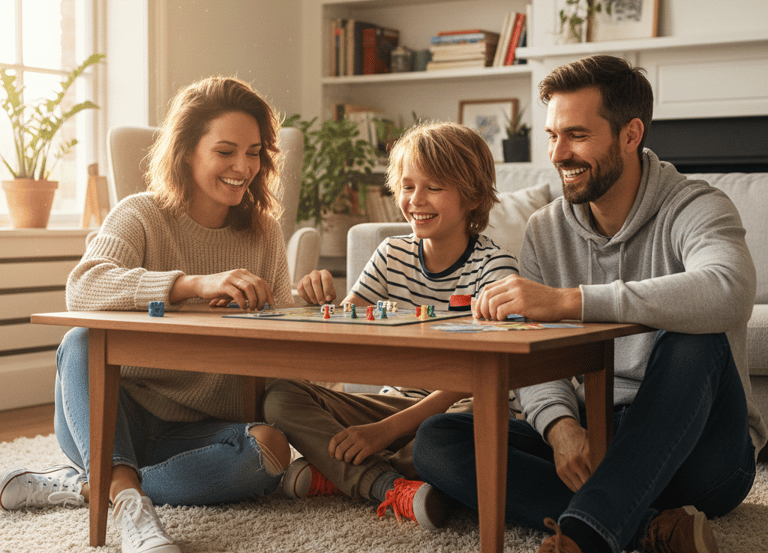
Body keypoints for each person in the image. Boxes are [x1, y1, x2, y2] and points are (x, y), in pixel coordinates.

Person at [413, 55, 767, 553]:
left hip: (702, 453)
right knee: (437, 440)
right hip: (601, 430)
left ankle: (587, 534)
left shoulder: (696, 205)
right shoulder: (546, 228)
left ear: (630, 134)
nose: (559, 153)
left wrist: (570, 302)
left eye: (576, 135)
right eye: (553, 135)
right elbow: (530, 347)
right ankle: (651, 528)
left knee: (694, 339)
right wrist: (560, 428)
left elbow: (729, 289)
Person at [0, 76, 295, 553]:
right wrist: (192, 284)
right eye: (225, 151)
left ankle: (100, 487)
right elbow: (82, 289)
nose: (244, 166)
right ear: (186, 152)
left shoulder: (264, 232)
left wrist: (302, 303)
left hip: (203, 427)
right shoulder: (140, 214)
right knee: (80, 340)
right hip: (113, 415)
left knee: (272, 450)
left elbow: (282, 331)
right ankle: (130, 505)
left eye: (255, 152)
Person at [262, 121, 519, 529]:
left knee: (451, 438)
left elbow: (479, 375)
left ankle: (339, 475)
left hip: (458, 408)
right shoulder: (391, 254)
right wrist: (320, 302)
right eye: (407, 186)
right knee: (279, 396)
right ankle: (386, 485)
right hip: (394, 399)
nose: (416, 200)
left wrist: (383, 431)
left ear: (472, 196)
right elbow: (345, 334)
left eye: (434, 187)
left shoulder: (495, 268)